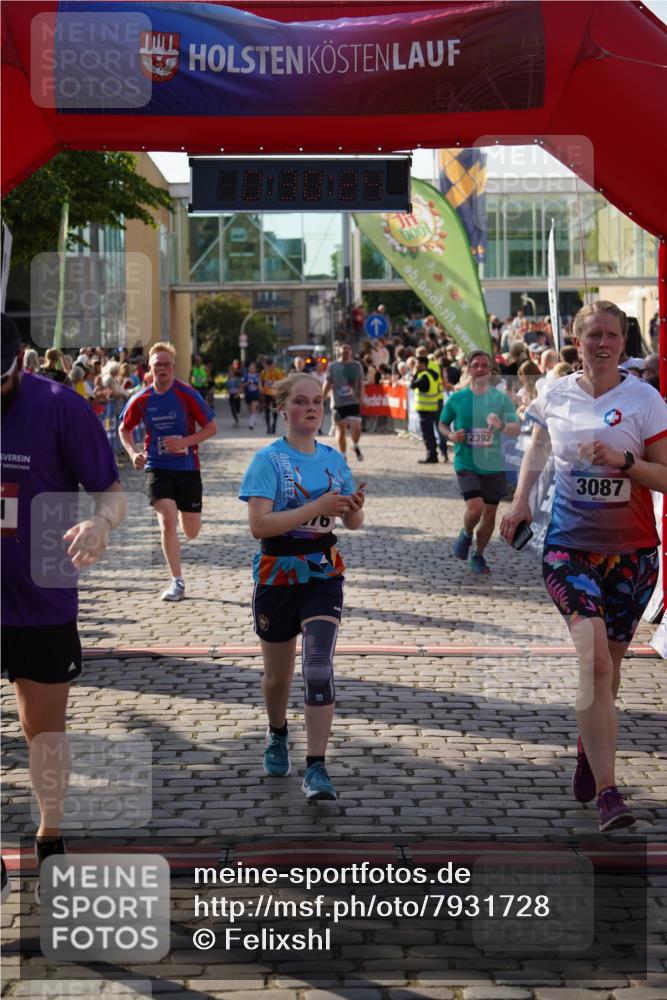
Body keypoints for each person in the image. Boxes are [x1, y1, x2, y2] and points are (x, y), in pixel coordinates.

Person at [500, 301, 667, 831]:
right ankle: (610, 794)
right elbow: (538, 444)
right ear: (576, 340)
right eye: (592, 334)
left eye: (612, 334)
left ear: (624, 342)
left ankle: (587, 747)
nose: (602, 343)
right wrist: (522, 498)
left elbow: (665, 477)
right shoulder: (557, 393)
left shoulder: (645, 399)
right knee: (594, 662)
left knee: (610, 671)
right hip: (569, 549)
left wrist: (625, 463)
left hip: (634, 556)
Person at [1, 314, 126, 873]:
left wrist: (101, 523)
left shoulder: (59, 406)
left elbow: (112, 491)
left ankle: (49, 833)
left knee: (42, 731)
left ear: (19, 363)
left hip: (41, 594)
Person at [239, 371, 366, 801]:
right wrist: (315, 506)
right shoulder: (267, 462)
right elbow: (259, 525)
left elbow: (351, 521)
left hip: (322, 572)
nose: (311, 408)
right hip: (277, 574)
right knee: (278, 677)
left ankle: (316, 767)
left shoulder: (333, 459)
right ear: (283, 408)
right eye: (300, 401)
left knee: (317, 666)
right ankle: (277, 733)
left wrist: (352, 508)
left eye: (317, 401)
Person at [119, 341, 217, 601]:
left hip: (187, 468)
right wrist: (132, 453)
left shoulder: (187, 394)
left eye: (166, 364)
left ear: (173, 367)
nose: (162, 369)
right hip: (157, 466)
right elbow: (124, 429)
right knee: (166, 521)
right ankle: (177, 581)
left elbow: (211, 428)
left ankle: (188, 526)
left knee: (191, 531)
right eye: (156, 365)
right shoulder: (141, 398)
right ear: (148, 370)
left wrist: (184, 442)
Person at [439, 350, 520, 573]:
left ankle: (478, 554)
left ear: (490, 369)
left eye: (485, 365)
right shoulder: (458, 398)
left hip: (493, 463)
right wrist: (451, 436)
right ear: (468, 369)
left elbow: (516, 429)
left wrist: (502, 425)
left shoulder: (500, 398)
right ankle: (466, 534)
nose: (480, 369)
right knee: (475, 508)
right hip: (466, 460)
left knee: (490, 513)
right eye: (476, 365)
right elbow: (443, 424)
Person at [323, 342, 364, 461]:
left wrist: (362, 397)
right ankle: (343, 455)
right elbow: (327, 383)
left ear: (351, 351)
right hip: (338, 403)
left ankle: (355, 445)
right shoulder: (333, 366)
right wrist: (322, 397)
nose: (346, 350)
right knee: (341, 430)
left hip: (353, 401)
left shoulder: (357, 366)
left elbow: (361, 383)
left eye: (348, 348)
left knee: (357, 427)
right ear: (339, 351)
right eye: (344, 348)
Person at [260, 357, 285, 435]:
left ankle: (274, 424)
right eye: (268, 365)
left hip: (274, 394)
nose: (269, 367)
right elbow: (261, 381)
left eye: (270, 365)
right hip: (266, 393)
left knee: (274, 410)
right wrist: (261, 389)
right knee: (266, 410)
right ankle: (268, 426)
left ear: (273, 365)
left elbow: (281, 382)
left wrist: (278, 391)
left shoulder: (277, 372)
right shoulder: (264, 372)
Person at [242, 360, 261, 430]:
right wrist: (247, 383)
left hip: (255, 394)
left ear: (255, 369)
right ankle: (254, 418)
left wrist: (258, 387)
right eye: (251, 368)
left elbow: (260, 385)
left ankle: (251, 424)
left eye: (253, 368)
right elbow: (242, 385)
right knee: (250, 409)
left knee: (253, 409)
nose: (252, 369)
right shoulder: (246, 375)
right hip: (248, 395)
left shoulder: (258, 376)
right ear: (248, 369)